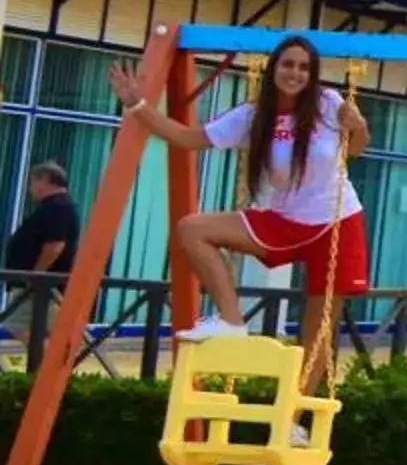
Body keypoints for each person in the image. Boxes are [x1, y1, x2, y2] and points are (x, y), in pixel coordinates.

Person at [108, 35, 369, 337]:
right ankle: (231, 322)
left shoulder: (328, 103)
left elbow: (354, 150)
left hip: (338, 222)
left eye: (303, 67)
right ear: (273, 68)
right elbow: (188, 138)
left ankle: (300, 387)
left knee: (317, 329)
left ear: (312, 75)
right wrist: (138, 105)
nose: (294, 73)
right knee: (192, 229)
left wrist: (359, 126)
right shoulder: (252, 115)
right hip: (286, 220)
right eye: (287, 64)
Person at [3, 161, 81, 354]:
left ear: (44, 181)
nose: (30, 189)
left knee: (19, 324)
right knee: (42, 328)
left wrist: (37, 274)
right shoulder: (59, 206)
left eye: (32, 182)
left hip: (42, 283)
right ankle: (51, 366)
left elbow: (55, 245)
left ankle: (51, 364)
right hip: (44, 282)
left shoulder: (57, 207)